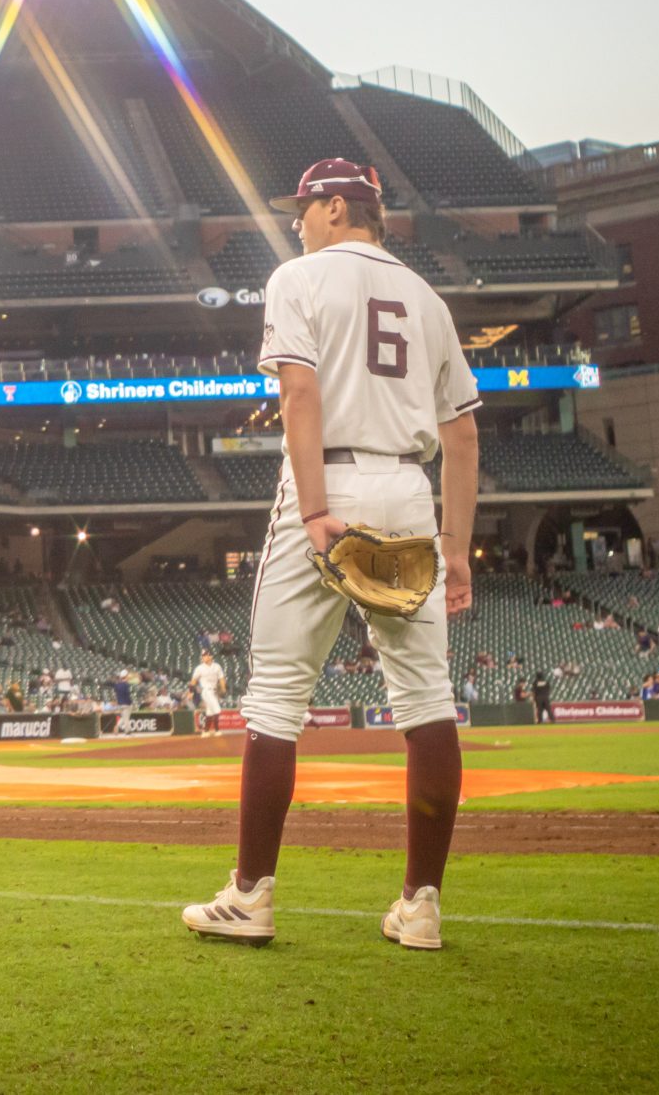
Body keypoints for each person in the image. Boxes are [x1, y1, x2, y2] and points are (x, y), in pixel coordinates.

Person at [183, 159, 478, 952]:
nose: (296, 222)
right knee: (427, 699)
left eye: (304, 208)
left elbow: (300, 396)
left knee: (277, 693)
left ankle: (250, 896)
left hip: (331, 482)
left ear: (337, 206)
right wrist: (458, 549)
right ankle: (421, 906)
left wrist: (314, 507)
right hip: (410, 489)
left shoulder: (299, 277)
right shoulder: (428, 299)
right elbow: (462, 433)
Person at [190, 650, 228, 735]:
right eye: (203, 656)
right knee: (217, 709)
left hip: (214, 691)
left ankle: (206, 731)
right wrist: (191, 692)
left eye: (206, 655)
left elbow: (221, 678)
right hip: (206, 691)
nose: (204, 657)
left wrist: (223, 688)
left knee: (210, 712)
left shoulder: (217, 666)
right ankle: (217, 730)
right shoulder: (199, 668)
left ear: (211, 656)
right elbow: (193, 681)